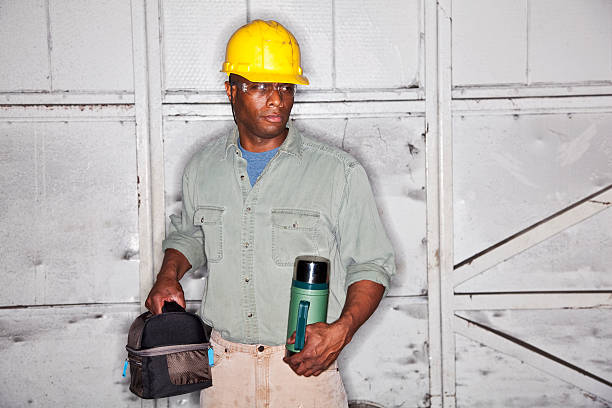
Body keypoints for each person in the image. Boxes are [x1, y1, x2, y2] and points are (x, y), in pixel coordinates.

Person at [145, 19, 395, 407]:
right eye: (260, 86)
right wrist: (167, 276)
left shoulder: (339, 173)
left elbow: (372, 264)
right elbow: (189, 236)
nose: (276, 99)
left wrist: (342, 330)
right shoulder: (202, 168)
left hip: (303, 371)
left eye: (284, 86)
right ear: (231, 90)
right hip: (225, 372)